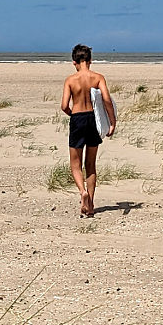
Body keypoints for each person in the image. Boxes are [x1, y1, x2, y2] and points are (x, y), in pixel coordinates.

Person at [60, 43, 116, 217]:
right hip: (93, 118)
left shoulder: (70, 80)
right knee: (90, 164)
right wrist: (112, 121)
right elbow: (106, 99)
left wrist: (72, 114)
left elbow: (63, 106)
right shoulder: (98, 77)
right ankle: (90, 204)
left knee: (75, 164)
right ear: (90, 60)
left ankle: (82, 192)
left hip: (77, 118)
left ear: (74, 62)